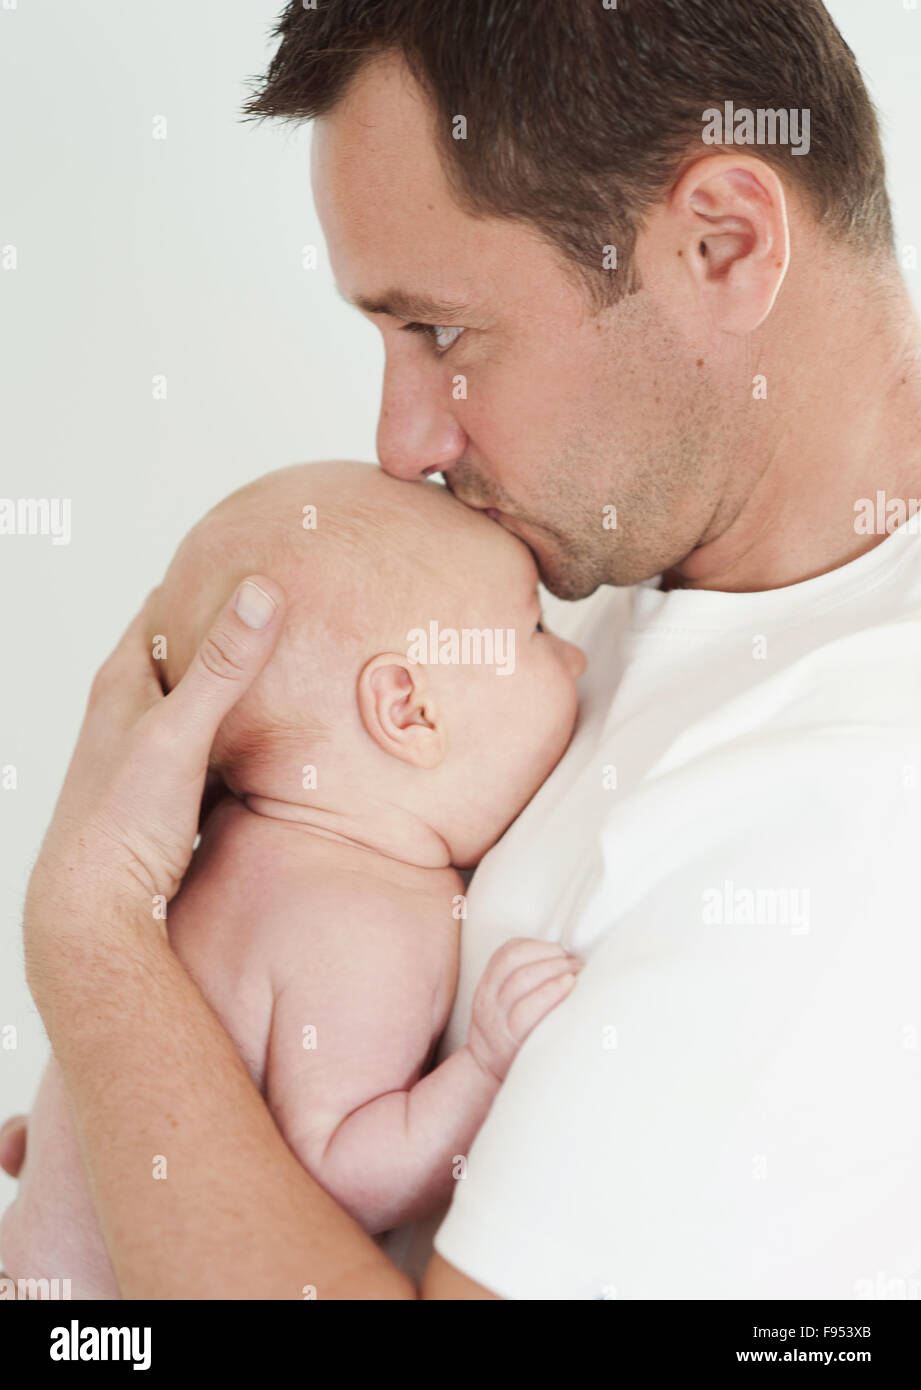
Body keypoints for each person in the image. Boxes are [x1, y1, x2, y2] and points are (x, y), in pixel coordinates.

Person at [7, 0, 921, 1297]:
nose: (402, 441)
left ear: (721, 244)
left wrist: (91, 945)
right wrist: (161, 1127)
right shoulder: (623, 557)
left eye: (439, 332)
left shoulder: (863, 797)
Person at [0, 460, 585, 1296]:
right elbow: (344, 1171)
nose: (573, 660)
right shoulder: (364, 921)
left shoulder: (215, 852)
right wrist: (484, 1070)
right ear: (407, 712)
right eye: (533, 633)